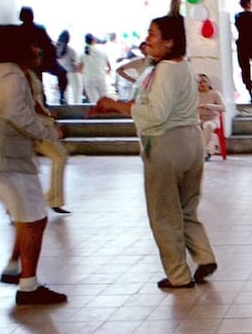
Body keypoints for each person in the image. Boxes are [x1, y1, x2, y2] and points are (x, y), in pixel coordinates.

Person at [93, 16, 218, 290]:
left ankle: (178, 275)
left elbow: (155, 114)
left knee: (163, 213)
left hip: (166, 145)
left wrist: (115, 106)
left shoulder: (164, 71)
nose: (147, 40)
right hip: (191, 142)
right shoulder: (181, 67)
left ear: (170, 41)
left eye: (152, 34)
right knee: (186, 208)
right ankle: (204, 255)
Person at [0, 25, 67, 305]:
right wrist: (51, 133)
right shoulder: (11, 76)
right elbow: (19, 116)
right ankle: (28, 286)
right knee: (34, 218)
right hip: (4, 158)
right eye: (33, 45)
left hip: (1, 157)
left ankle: (15, 268)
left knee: (28, 216)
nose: (38, 50)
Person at [25, 59, 71, 214]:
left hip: (36, 121)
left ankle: (51, 199)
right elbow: (31, 102)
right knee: (59, 156)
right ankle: (51, 199)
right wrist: (46, 115)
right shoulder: (21, 74)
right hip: (33, 123)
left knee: (57, 156)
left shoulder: (28, 72)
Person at [18, 6, 67, 105]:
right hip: (41, 60)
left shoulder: (20, 30)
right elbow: (48, 44)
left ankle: (44, 102)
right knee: (61, 74)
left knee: (38, 84)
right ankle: (60, 97)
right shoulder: (39, 28)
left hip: (33, 61)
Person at [197, 73, 225, 161]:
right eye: (199, 82)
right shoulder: (194, 94)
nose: (202, 84)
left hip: (212, 119)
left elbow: (223, 107)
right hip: (198, 119)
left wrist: (209, 106)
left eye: (204, 81)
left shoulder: (215, 94)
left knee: (208, 126)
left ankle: (203, 152)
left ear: (209, 83)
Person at [81, 33, 111, 104]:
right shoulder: (102, 51)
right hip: (101, 78)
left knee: (93, 101)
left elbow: (79, 68)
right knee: (103, 100)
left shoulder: (82, 53)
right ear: (94, 40)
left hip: (88, 79)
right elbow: (109, 67)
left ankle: (95, 114)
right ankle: (103, 114)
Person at [55, 31, 82, 104]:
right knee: (76, 94)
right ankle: (77, 110)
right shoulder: (70, 50)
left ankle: (65, 108)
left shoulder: (55, 48)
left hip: (60, 73)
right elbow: (76, 63)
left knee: (64, 94)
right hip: (72, 73)